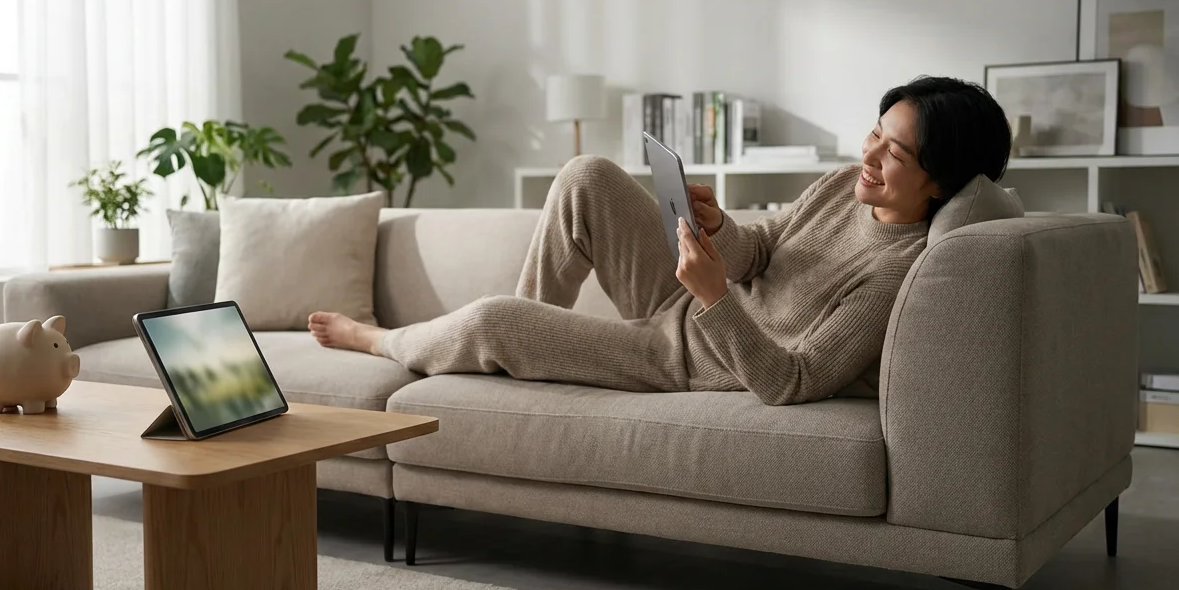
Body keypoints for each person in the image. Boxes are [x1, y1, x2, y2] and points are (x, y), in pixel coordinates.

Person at [309, 76, 1012, 405]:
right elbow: (766, 248)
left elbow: (790, 381)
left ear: (941, 184)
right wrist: (721, 230)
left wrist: (713, 297)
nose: (869, 156)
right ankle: (515, 365)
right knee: (587, 175)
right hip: (687, 300)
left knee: (496, 319)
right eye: (875, 133)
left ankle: (385, 341)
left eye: (894, 154)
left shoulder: (898, 275)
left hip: (683, 355)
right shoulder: (842, 186)